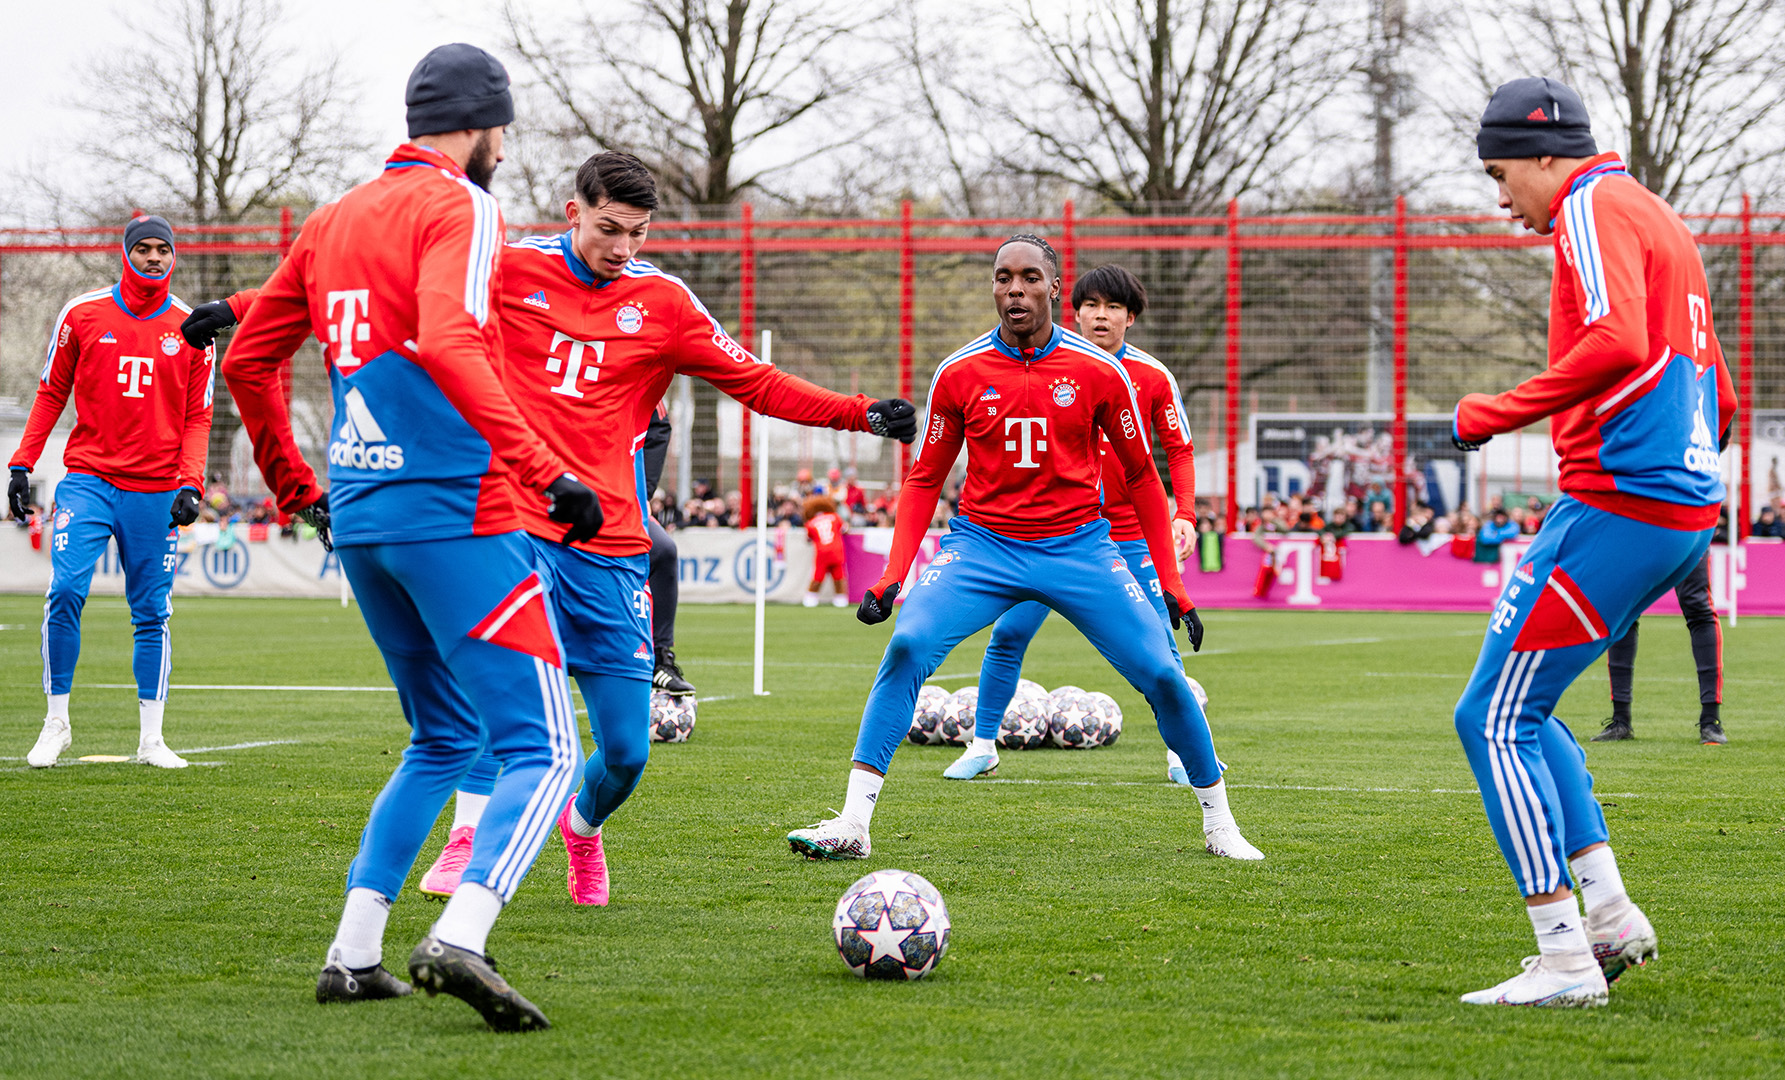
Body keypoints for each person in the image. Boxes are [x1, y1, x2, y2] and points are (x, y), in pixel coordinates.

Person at [383, 153, 916, 907]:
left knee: (628, 751)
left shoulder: (663, 302)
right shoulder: (503, 269)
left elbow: (756, 383)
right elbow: (393, 299)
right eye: (609, 229)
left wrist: (857, 412)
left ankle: (583, 827)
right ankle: (466, 841)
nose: (623, 247)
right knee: (489, 698)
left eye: (637, 233)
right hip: (514, 523)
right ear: (572, 212)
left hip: (609, 548)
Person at [215, 44, 605, 1030]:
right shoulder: (460, 206)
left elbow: (250, 361)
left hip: (365, 514)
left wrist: (300, 489)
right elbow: (448, 335)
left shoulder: (332, 218)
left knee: (440, 738)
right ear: (477, 126)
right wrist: (541, 471)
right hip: (453, 514)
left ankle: (352, 956)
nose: (504, 151)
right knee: (546, 750)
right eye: (502, 132)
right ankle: (462, 936)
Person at [783, 235, 1263, 863]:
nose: (1015, 289)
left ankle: (1220, 823)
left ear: (1053, 287)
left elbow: (1145, 477)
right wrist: (893, 575)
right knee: (905, 645)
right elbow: (924, 477)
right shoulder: (959, 372)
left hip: (1078, 548)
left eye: (1029, 277)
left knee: (1165, 676)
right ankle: (853, 821)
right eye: (1003, 278)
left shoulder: (1099, 371)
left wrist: (1173, 583)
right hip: (983, 547)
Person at [1448, 77, 1736, 1008]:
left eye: (1500, 174)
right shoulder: (1659, 216)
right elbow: (1721, 395)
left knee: (1490, 720)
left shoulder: (1588, 205)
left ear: (1544, 155)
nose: (1501, 199)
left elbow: (1616, 340)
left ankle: (1566, 957)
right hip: (1671, 506)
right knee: (1530, 710)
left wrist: (1495, 412)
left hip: (1621, 503)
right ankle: (1609, 917)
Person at [943, 264, 1214, 785]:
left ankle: (1182, 756)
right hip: (1054, 537)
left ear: (1130, 318)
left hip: (1130, 536)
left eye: (1113, 308)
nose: (1100, 316)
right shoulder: (1050, 366)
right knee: (1007, 636)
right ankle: (982, 744)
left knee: (1160, 644)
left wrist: (1183, 513)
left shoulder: (1154, 377)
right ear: (1076, 310)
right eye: (1091, 306)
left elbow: (1178, 449)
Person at [10, 214, 212, 769]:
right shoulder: (81, 313)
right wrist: (22, 463)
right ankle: (56, 723)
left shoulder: (193, 327)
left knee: (151, 611)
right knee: (66, 590)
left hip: (156, 489)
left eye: (162, 250)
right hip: (89, 481)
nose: (153, 258)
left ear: (173, 257)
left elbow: (199, 416)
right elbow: (52, 392)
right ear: (126, 253)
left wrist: (191, 484)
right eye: (143, 248)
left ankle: (151, 739)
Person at [1593, 548, 1725, 744]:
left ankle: (1710, 720)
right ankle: (1620, 720)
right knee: (1622, 611)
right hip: (1639, 530)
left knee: (1698, 607)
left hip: (1686, 527)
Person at [638, 404, 696, 697]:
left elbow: (658, 424)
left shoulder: (640, 371)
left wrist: (641, 492)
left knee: (661, 549)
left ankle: (659, 658)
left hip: (615, 494)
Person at [802, 494, 849, 608]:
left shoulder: (810, 523)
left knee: (818, 575)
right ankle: (840, 598)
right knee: (838, 575)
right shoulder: (835, 516)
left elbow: (808, 539)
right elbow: (845, 528)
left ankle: (811, 597)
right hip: (837, 550)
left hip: (822, 552)